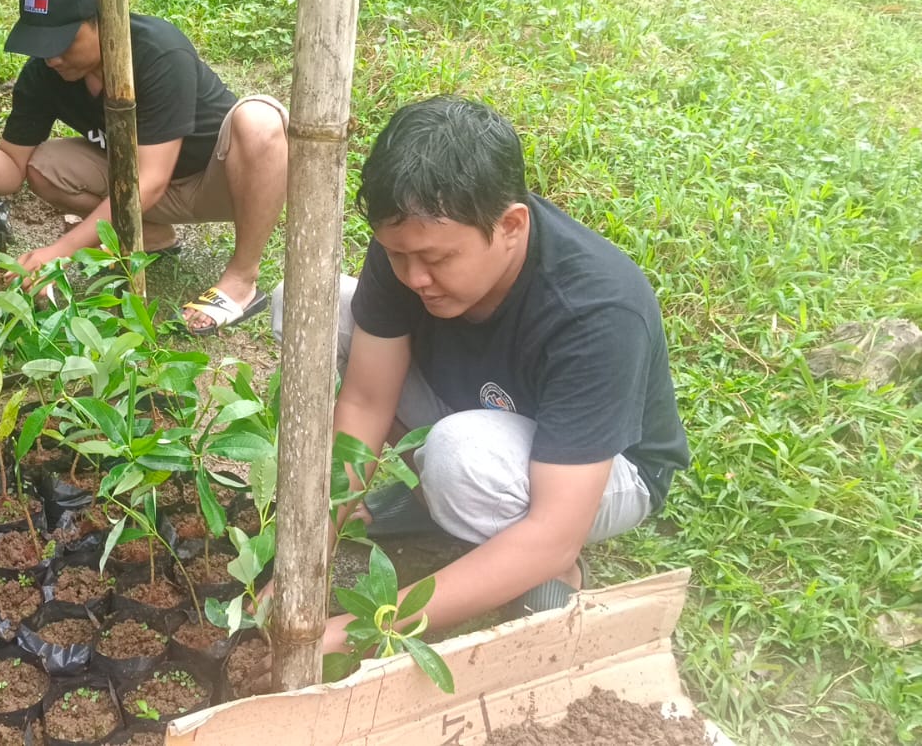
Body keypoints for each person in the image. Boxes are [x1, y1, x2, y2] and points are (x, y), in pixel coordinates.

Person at [271, 96, 689, 642]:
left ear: (511, 225)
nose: (414, 277)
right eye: (398, 255)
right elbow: (367, 401)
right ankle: (431, 496)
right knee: (304, 308)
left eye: (439, 260)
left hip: (601, 468)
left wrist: (358, 630)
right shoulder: (412, 244)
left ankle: (551, 574)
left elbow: (554, 530)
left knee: (460, 458)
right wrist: (307, 558)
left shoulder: (597, 311)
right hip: (474, 403)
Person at [0, 0, 289, 333]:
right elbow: (12, 162)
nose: (51, 57)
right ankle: (150, 236)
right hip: (140, 187)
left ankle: (240, 281)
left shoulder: (158, 52)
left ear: (103, 19)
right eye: (41, 42)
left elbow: (148, 181)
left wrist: (60, 252)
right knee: (45, 166)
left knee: (259, 121)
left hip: (219, 182)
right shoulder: (45, 72)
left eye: (62, 40)